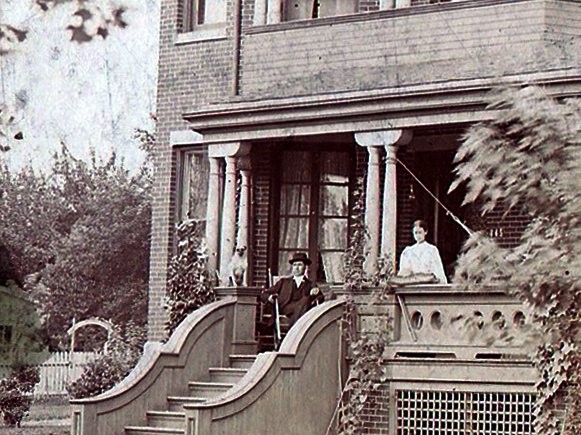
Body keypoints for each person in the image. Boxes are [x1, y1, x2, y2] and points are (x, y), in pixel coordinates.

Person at [260, 252, 324, 327]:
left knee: (305, 301)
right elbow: (264, 294)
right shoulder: (283, 282)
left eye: (300, 265)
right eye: (294, 265)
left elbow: (321, 298)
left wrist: (315, 293)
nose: (296, 268)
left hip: (303, 310)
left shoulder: (310, 284)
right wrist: (269, 297)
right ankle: (296, 330)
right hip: (285, 308)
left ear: (305, 267)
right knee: (305, 301)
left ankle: (292, 330)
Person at [398, 220, 448, 284]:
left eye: (420, 232)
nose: (418, 235)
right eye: (416, 233)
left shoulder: (432, 250)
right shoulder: (408, 251)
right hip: (412, 283)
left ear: (425, 232)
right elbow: (404, 270)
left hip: (428, 283)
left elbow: (438, 269)